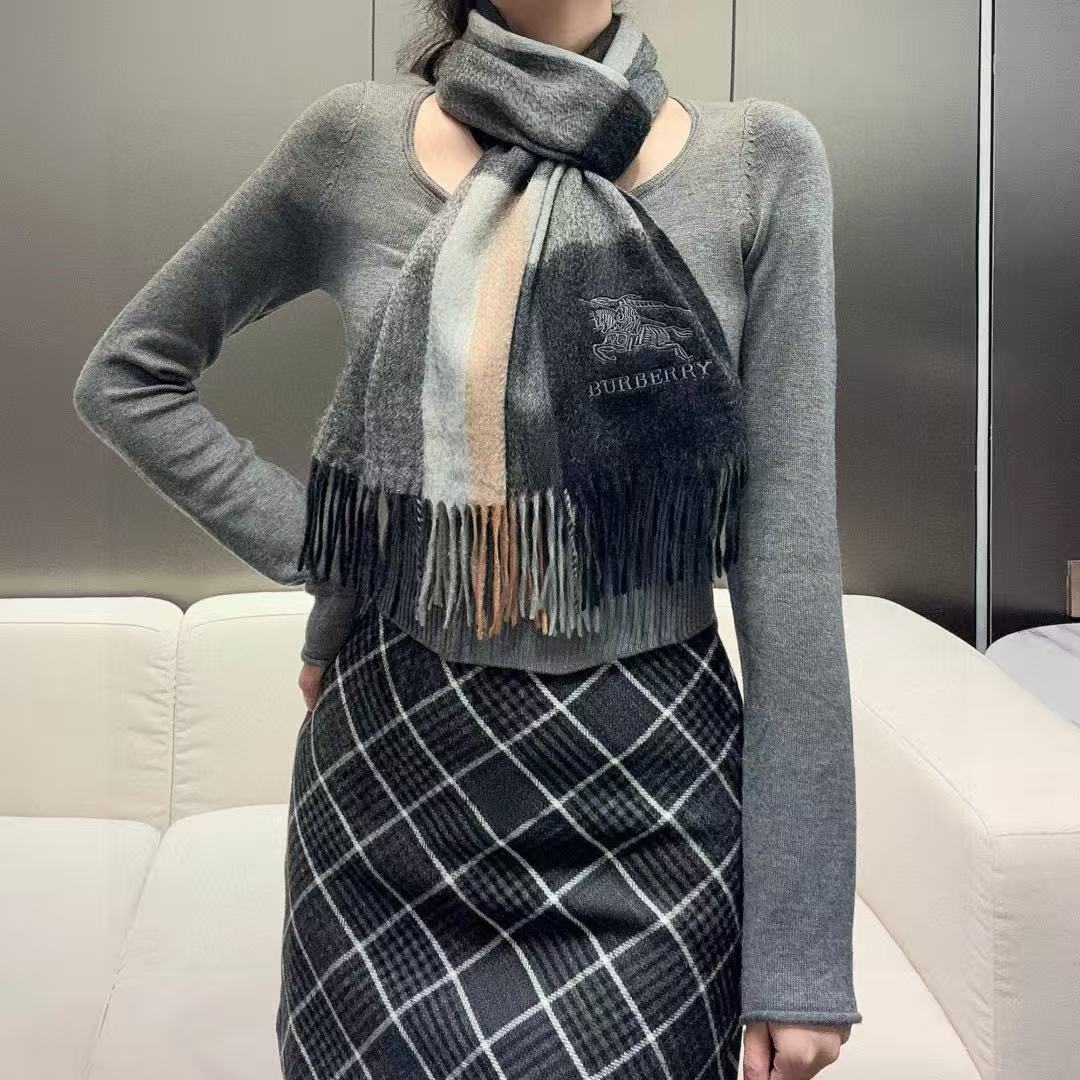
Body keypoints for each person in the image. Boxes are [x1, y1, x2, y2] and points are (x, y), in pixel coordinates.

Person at [72, 1, 861, 1077]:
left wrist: (801, 957)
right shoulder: (354, 143)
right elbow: (129, 376)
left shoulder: (762, 162)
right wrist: (335, 550)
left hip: (651, 808)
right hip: (388, 803)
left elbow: (790, 559)